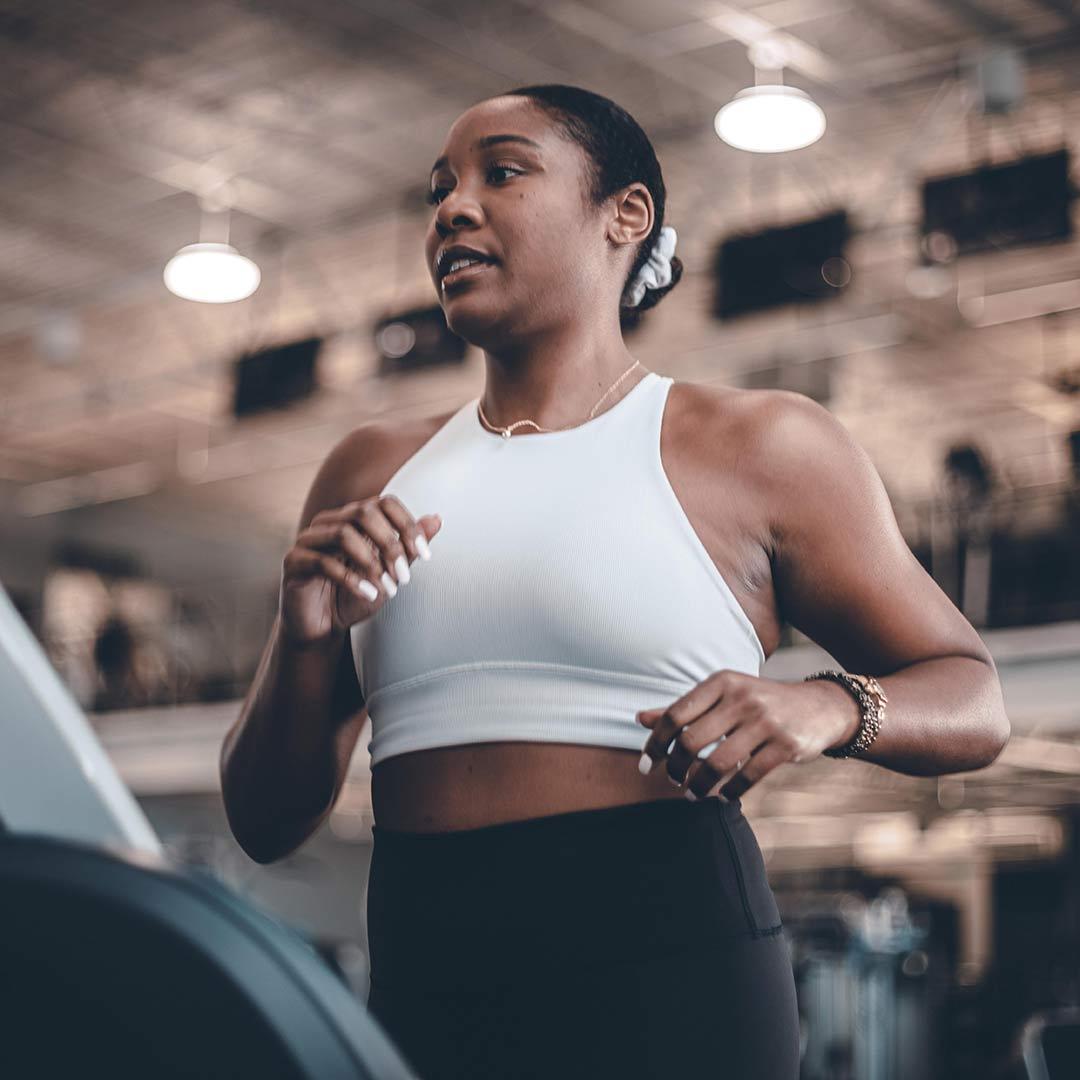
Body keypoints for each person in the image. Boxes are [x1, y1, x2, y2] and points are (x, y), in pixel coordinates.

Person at [220, 84, 1010, 1079]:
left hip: (673, 968)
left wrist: (827, 705)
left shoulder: (761, 446)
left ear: (624, 217)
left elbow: (974, 698)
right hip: (428, 978)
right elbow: (263, 821)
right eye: (440, 189)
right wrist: (301, 636)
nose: (453, 209)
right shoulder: (365, 471)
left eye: (502, 172)